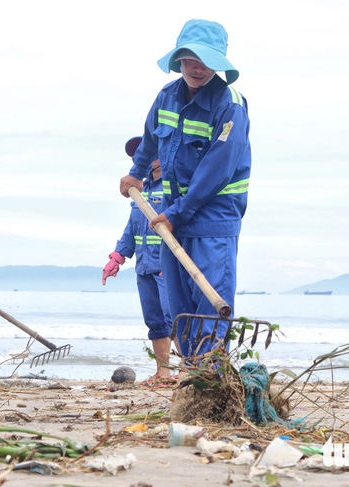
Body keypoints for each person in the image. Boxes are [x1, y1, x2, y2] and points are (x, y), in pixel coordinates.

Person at [119, 19, 251, 360]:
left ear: (219, 62)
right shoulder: (166, 97)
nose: (197, 67)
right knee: (180, 312)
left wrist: (176, 214)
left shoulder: (230, 104)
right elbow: (149, 141)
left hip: (212, 222)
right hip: (174, 217)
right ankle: (192, 379)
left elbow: (215, 171)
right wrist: (135, 174)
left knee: (209, 309)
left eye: (206, 60)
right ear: (179, 59)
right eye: (190, 59)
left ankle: (212, 381)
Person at [103, 136, 177, 381]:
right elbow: (132, 227)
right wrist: (117, 256)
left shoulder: (173, 187)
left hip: (167, 264)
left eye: (144, 155)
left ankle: (189, 371)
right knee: (155, 321)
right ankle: (163, 373)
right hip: (144, 266)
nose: (139, 160)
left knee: (174, 318)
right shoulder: (139, 190)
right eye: (135, 157)